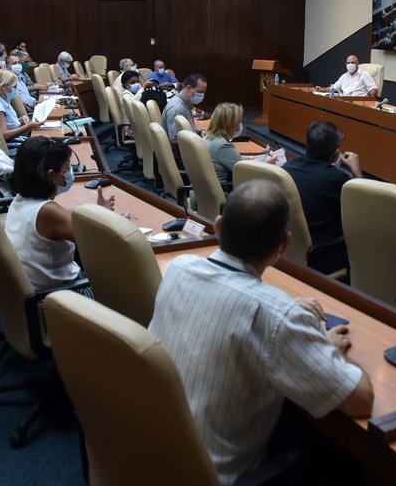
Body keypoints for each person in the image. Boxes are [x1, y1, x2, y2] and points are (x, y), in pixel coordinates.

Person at [149, 179, 373, 485]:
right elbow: (361, 400)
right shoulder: (277, 317)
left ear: (217, 226)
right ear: (283, 244)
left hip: (154, 458)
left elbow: (232, 297)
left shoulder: (180, 267)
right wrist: (325, 344)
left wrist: (284, 310)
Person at [5, 136, 114, 294]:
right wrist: (113, 221)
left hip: (41, 289)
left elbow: (68, 220)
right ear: (51, 176)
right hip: (59, 297)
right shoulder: (48, 212)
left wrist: (98, 212)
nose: (70, 172)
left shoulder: (20, 200)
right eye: (67, 167)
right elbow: (102, 242)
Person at [283, 121, 362, 274]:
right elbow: (362, 211)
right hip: (320, 256)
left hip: (288, 245)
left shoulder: (288, 167)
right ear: (336, 153)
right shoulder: (336, 179)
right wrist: (356, 172)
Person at [204, 102, 274, 182]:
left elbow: (229, 158)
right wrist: (267, 164)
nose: (240, 126)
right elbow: (245, 173)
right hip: (225, 190)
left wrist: (252, 158)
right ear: (230, 124)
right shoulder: (223, 145)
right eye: (239, 122)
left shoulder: (209, 138)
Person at [0, 68, 42, 141]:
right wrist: (28, 126)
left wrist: (21, 120)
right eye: (14, 87)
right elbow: (4, 135)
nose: (16, 90)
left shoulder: (3, 99)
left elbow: (9, 124)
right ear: (3, 87)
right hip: (14, 147)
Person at [161, 73, 207, 140]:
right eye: (200, 91)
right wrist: (198, 140)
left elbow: (186, 128)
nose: (202, 95)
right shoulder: (177, 108)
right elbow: (175, 139)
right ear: (189, 88)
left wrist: (200, 132)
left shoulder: (185, 103)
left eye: (203, 92)